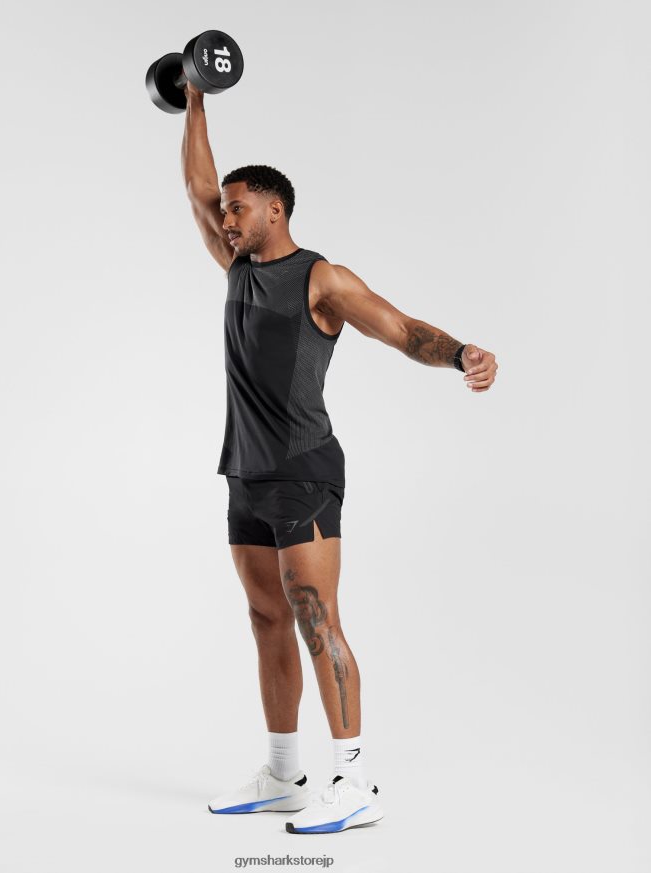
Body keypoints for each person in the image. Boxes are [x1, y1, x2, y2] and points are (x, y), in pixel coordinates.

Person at [180, 80, 498, 835]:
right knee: (266, 616)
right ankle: (284, 773)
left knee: (314, 615)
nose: (225, 219)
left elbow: (400, 328)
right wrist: (194, 99)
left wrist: (461, 353)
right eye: (225, 211)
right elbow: (196, 187)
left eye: (238, 208)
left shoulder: (320, 277)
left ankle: (354, 780)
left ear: (274, 210)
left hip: (305, 470)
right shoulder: (236, 268)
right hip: (245, 471)